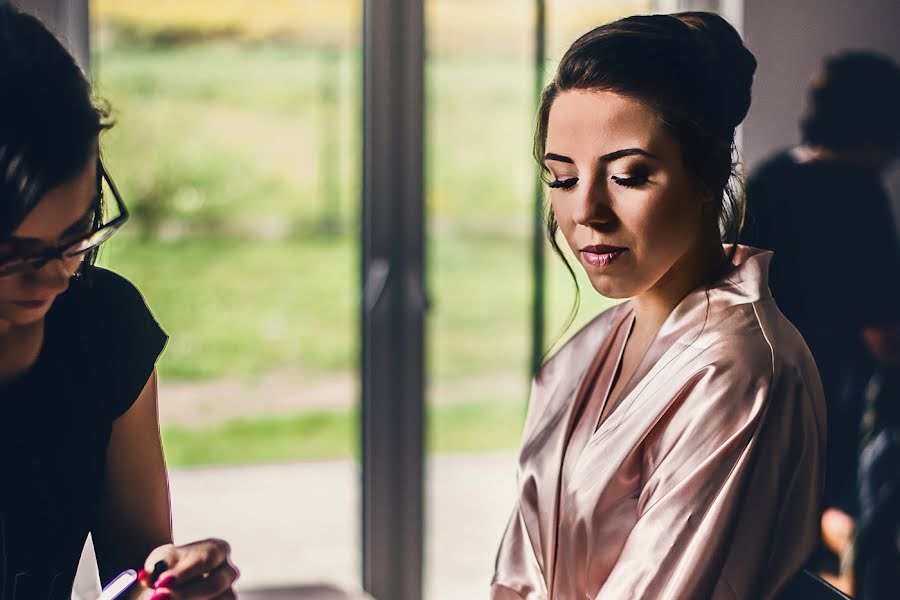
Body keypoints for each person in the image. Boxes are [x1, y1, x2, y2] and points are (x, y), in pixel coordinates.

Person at [491, 12, 826, 599]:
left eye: (628, 175)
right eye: (563, 179)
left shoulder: (741, 371)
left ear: (710, 171)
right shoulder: (583, 355)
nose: (586, 211)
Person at [0, 5, 237, 599]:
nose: (56, 275)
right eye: (18, 252)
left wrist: (169, 583)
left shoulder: (101, 328)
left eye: (77, 233)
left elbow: (132, 565)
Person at [742, 51, 900, 522]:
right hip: (828, 398)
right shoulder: (857, 194)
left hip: (758, 389)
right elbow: (883, 334)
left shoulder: (771, 175)